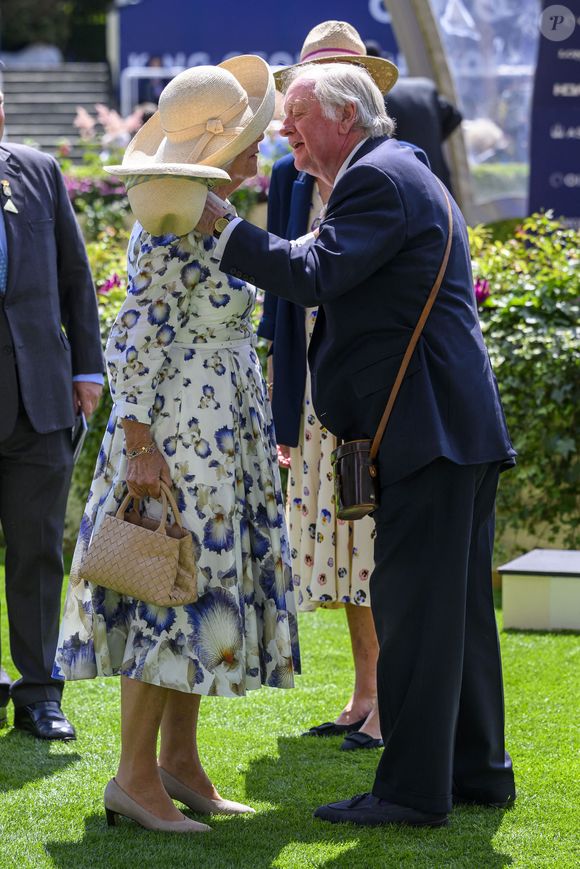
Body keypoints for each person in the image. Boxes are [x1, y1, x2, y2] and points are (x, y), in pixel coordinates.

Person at [198, 60, 517, 828]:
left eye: (298, 116)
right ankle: (478, 772)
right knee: (457, 615)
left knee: (413, 613)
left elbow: (314, 272)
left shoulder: (375, 177)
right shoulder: (397, 168)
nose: (284, 133)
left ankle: (410, 792)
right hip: (447, 429)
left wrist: (225, 228)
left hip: (427, 431)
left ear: (345, 117)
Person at [53, 57, 300, 833]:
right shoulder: (171, 216)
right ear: (223, 148)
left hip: (217, 433)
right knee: (165, 593)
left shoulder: (208, 207)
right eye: (253, 138)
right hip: (178, 441)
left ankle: (179, 763)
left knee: (192, 596)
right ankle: (134, 777)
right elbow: (135, 338)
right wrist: (139, 444)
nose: (265, 147)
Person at [259, 20, 401, 751]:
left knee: (374, 536)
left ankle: (389, 702)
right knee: (341, 539)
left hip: (369, 390)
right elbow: (284, 297)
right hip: (314, 389)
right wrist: (284, 414)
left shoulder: (390, 166)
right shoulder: (290, 175)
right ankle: (364, 690)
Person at [0, 89, 103, 739]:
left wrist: (86, 367)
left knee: (38, 548)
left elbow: (76, 276)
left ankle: (40, 692)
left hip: (40, 396)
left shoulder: (37, 170)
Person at [364, 39, 462, 194]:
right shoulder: (425, 88)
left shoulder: (375, 98)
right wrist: (432, 139)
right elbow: (455, 116)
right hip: (439, 181)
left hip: (406, 189)